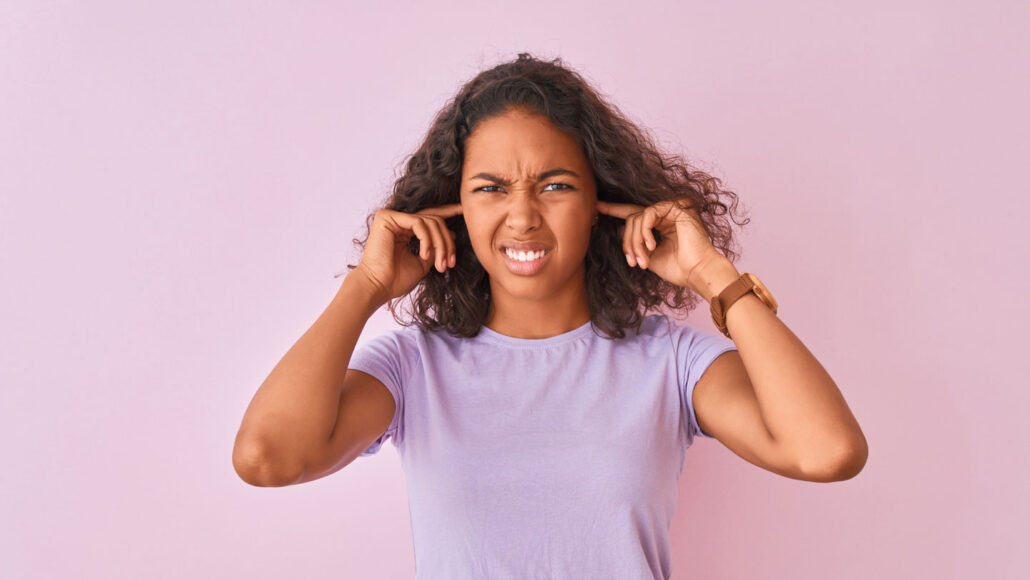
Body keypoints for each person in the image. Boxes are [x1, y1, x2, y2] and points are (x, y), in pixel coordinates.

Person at [232, 53, 868, 579]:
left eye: (555, 184)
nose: (523, 216)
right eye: (491, 188)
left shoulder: (670, 362)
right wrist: (368, 285)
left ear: (600, 202)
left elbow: (828, 452)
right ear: (454, 209)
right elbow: (267, 458)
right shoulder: (412, 366)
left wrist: (715, 279)